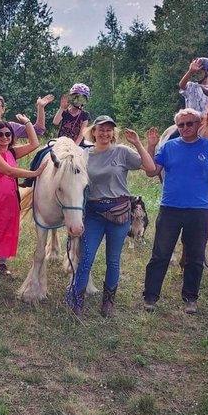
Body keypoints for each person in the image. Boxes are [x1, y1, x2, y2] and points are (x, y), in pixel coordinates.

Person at [67, 115, 156, 318]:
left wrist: (139, 144)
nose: (105, 133)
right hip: (93, 213)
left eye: (109, 130)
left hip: (119, 213)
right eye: (101, 129)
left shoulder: (122, 152)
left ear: (113, 133)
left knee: (113, 260)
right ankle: (77, 301)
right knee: (86, 259)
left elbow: (150, 168)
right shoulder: (84, 155)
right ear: (94, 132)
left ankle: (108, 302)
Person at [142, 108, 208, 314]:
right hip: (170, 208)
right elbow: (151, 171)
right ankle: (150, 296)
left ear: (199, 124)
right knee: (160, 254)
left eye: (189, 124)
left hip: (199, 210)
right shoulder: (168, 147)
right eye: (181, 125)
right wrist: (151, 146)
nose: (185, 128)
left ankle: (190, 298)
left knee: (195, 257)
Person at [0, 92, 54, 277]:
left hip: (8, 190)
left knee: (3, 223)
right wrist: (34, 173)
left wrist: (35, 113)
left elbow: (37, 133)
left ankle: (0, 261)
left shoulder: (11, 129)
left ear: (3, 109)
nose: (4, 136)